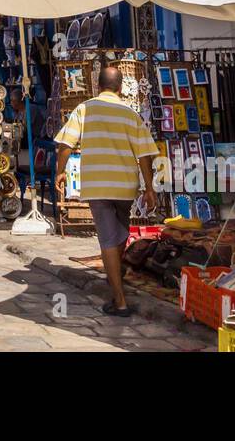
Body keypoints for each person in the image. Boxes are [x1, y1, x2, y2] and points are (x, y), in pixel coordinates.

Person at [55, 65, 159, 318]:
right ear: (121, 87)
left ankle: (119, 300)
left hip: (98, 184)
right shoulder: (130, 114)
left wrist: (61, 171)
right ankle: (116, 278)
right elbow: (145, 154)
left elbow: (66, 144)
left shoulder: (85, 109)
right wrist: (149, 188)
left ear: (96, 85)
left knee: (109, 239)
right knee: (119, 233)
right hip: (125, 184)